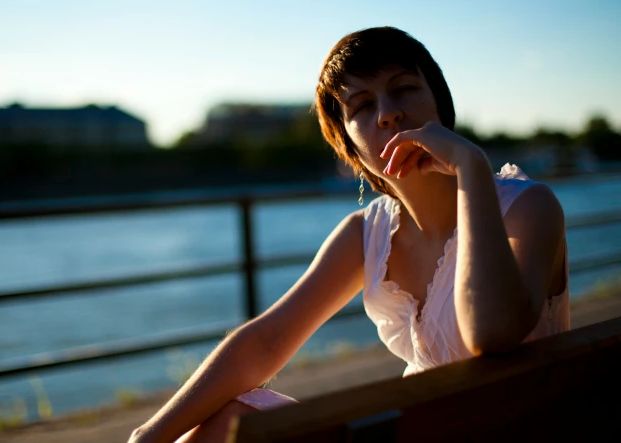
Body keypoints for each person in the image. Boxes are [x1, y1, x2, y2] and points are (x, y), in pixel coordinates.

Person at [128, 26, 570, 443]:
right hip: (417, 430)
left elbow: (490, 334)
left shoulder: (526, 207)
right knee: (234, 419)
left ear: (440, 105)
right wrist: (146, 437)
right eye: (361, 106)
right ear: (350, 148)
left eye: (404, 89)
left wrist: (471, 168)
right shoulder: (366, 233)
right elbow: (266, 341)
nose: (389, 113)